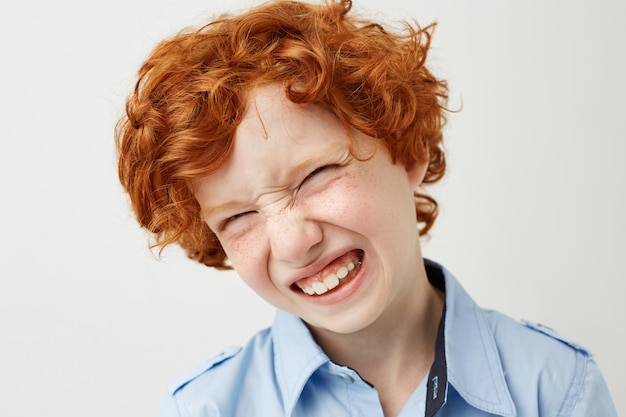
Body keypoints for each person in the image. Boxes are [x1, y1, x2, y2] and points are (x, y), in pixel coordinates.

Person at [115, 0, 617, 416]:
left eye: (314, 176)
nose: (294, 241)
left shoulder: (556, 389)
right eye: (238, 217)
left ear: (408, 147)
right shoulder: (204, 409)